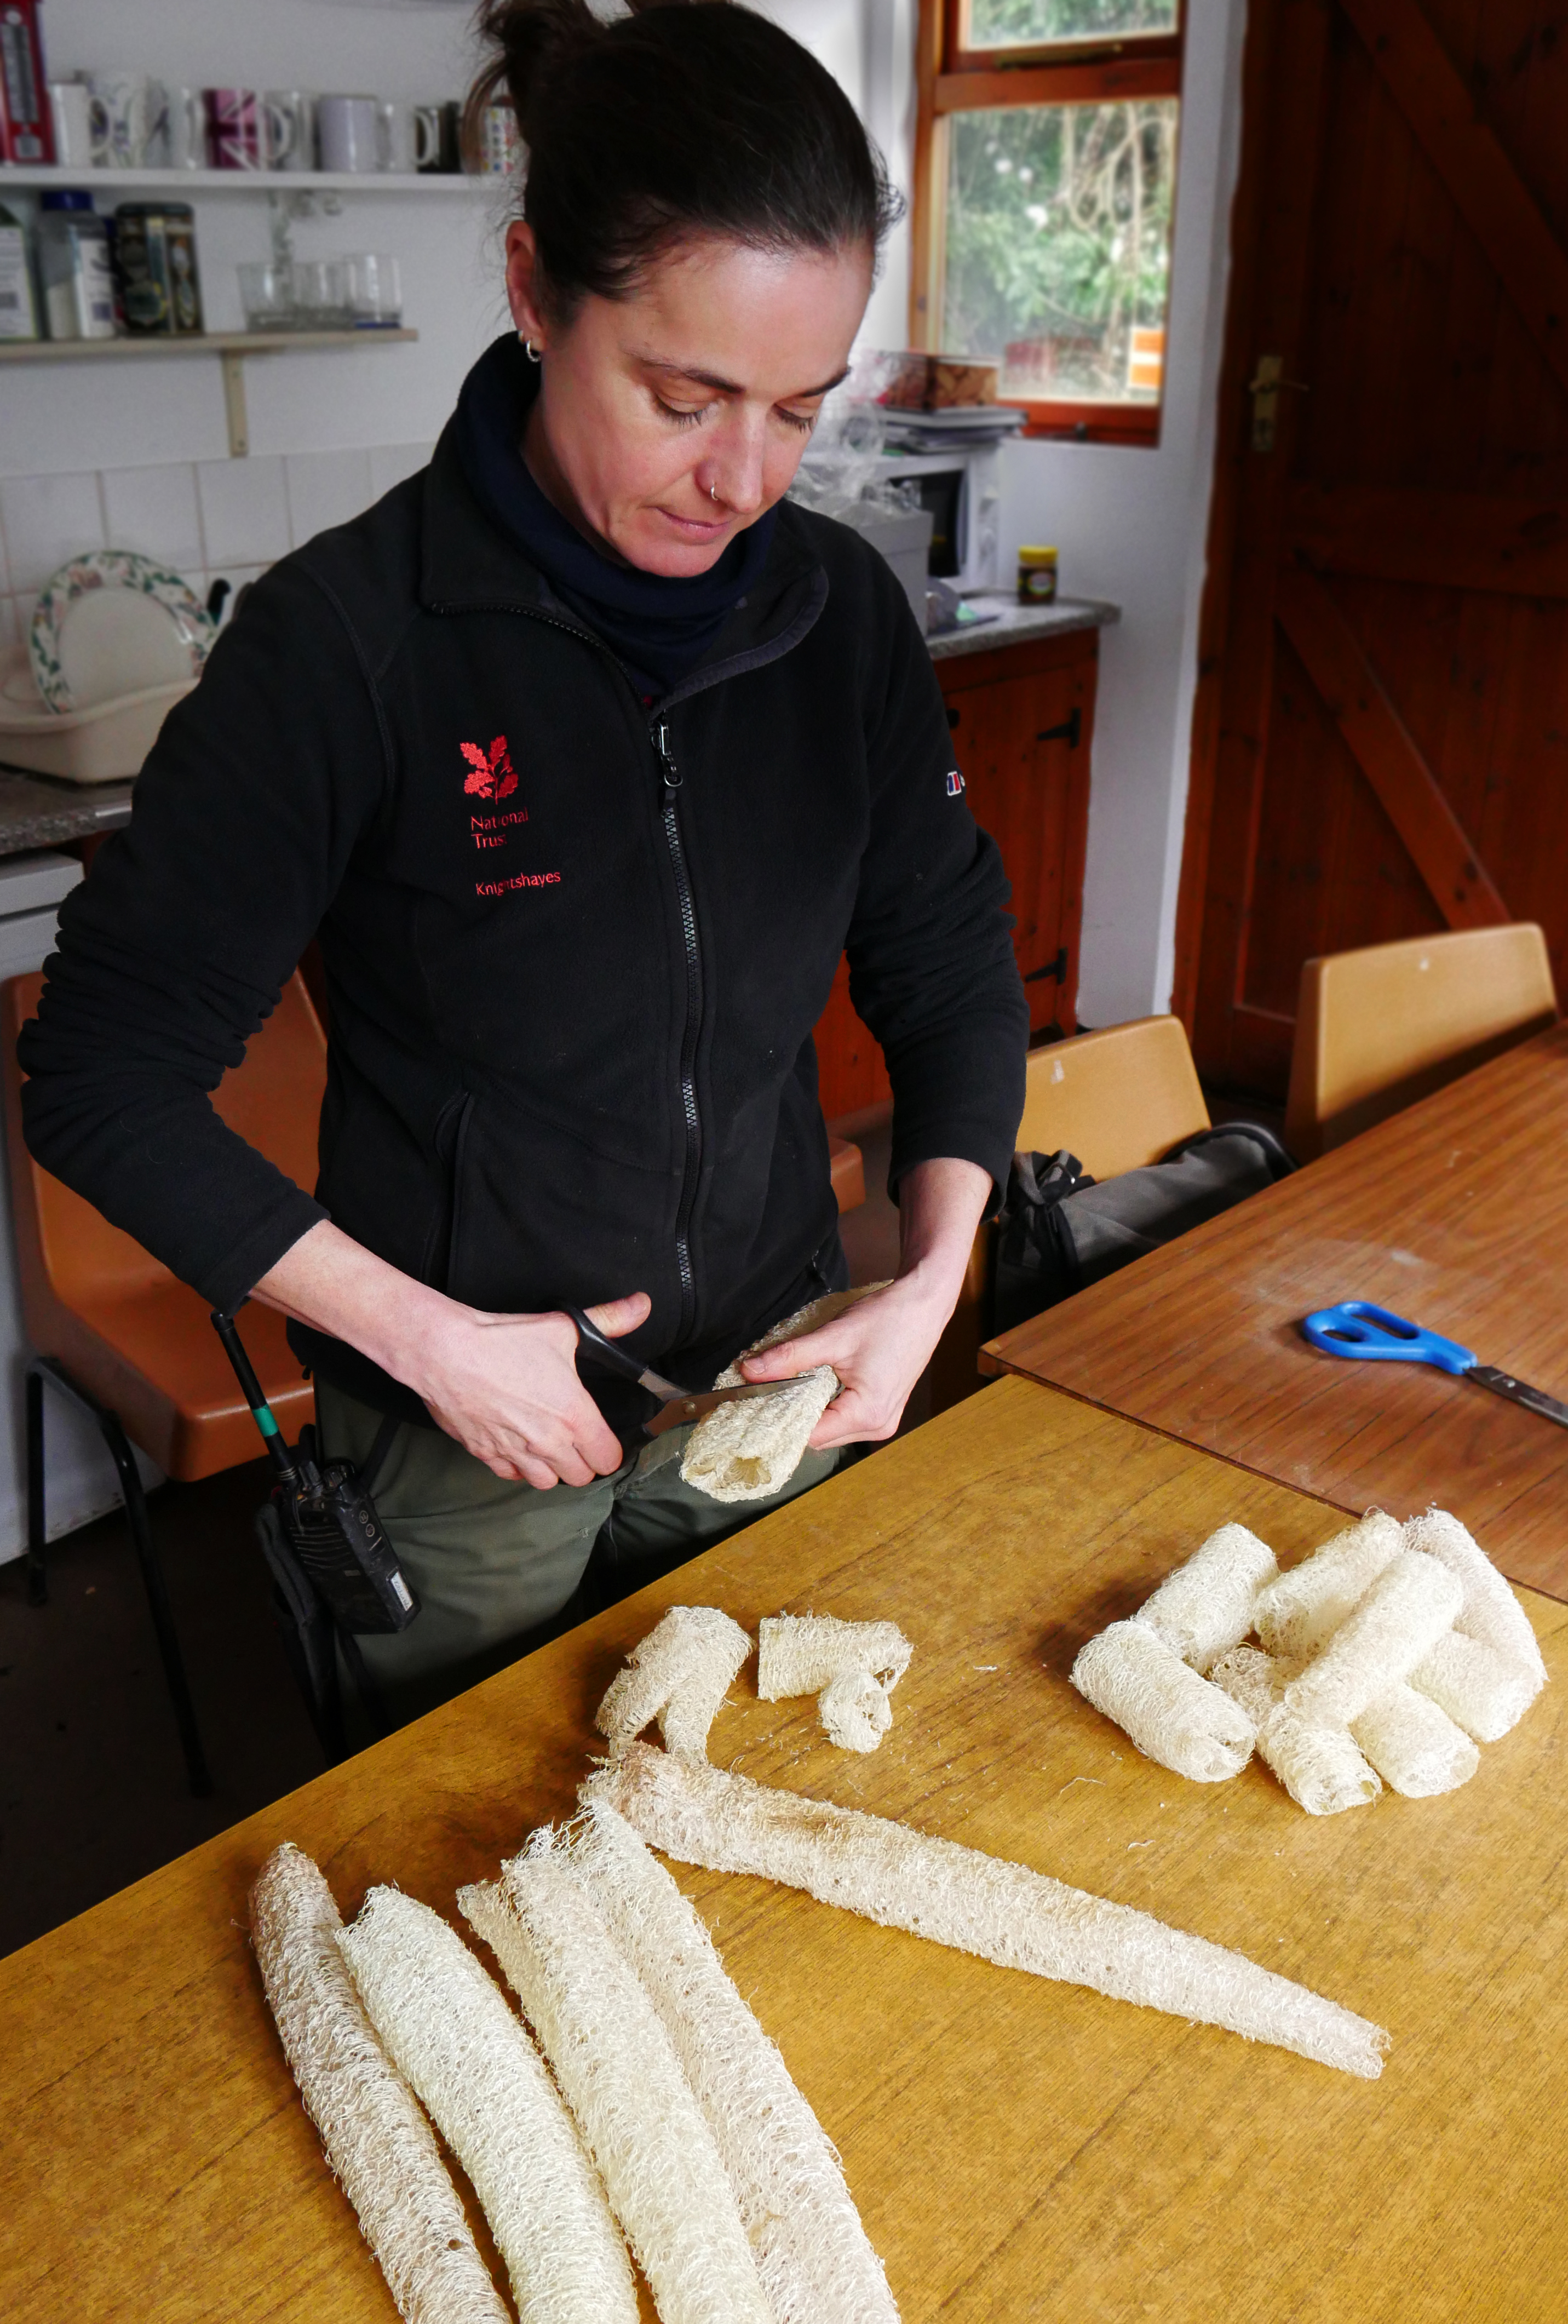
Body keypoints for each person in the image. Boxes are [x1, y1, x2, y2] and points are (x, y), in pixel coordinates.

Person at [20, 0, 1027, 1723]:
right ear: (532, 292)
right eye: (683, 394)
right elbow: (101, 1076)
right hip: (466, 1428)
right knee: (477, 1859)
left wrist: (935, 1276)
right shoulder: (348, 645)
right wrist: (429, 1346)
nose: (743, 477)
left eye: (799, 407)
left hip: (771, 1371)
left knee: (759, 1823)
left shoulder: (841, 616)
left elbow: (944, 956)